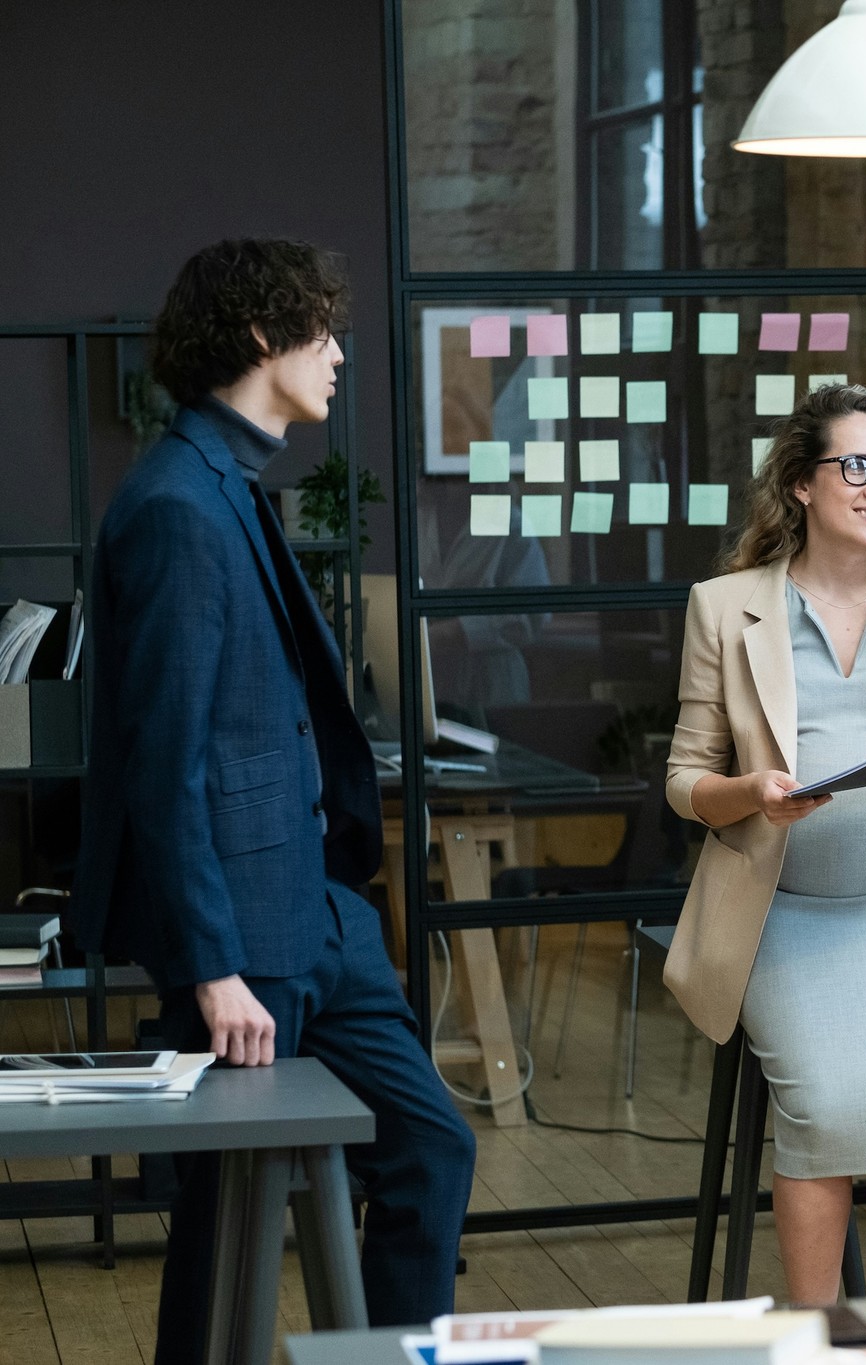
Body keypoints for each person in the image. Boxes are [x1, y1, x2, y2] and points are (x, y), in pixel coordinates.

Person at [69, 239, 475, 1364]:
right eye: (323, 331)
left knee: (431, 1148)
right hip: (245, 934)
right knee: (223, 1229)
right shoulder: (175, 505)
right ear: (262, 336)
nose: (340, 355)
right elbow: (165, 764)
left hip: (319, 911)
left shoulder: (228, 482)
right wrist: (210, 967)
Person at [662, 383, 866, 1305]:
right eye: (857, 466)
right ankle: (821, 1336)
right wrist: (754, 795)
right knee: (816, 1102)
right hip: (779, 918)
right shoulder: (726, 608)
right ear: (802, 484)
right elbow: (686, 780)